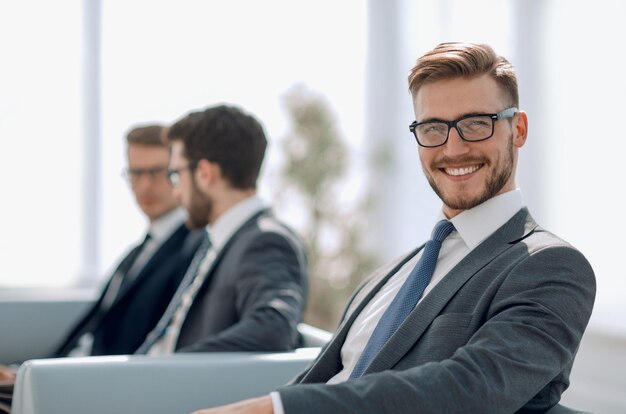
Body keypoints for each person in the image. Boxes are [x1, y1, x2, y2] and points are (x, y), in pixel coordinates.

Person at [192, 43, 596, 414]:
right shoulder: (389, 276)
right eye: (433, 128)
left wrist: (275, 409)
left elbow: (470, 388)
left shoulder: (551, 267)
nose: (453, 148)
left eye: (476, 124)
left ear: (518, 130)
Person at [0, 125, 203, 383]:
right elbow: (92, 332)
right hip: (64, 376)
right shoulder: (138, 253)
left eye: (156, 172)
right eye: (135, 173)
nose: (144, 185)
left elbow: (140, 348)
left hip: (102, 383)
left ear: (178, 173)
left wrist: (40, 380)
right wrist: (26, 374)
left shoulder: (194, 249)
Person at [135, 104, 308, 355]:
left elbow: (274, 329)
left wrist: (172, 366)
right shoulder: (217, 240)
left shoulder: (265, 241)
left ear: (205, 174)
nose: (176, 191)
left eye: (175, 175)